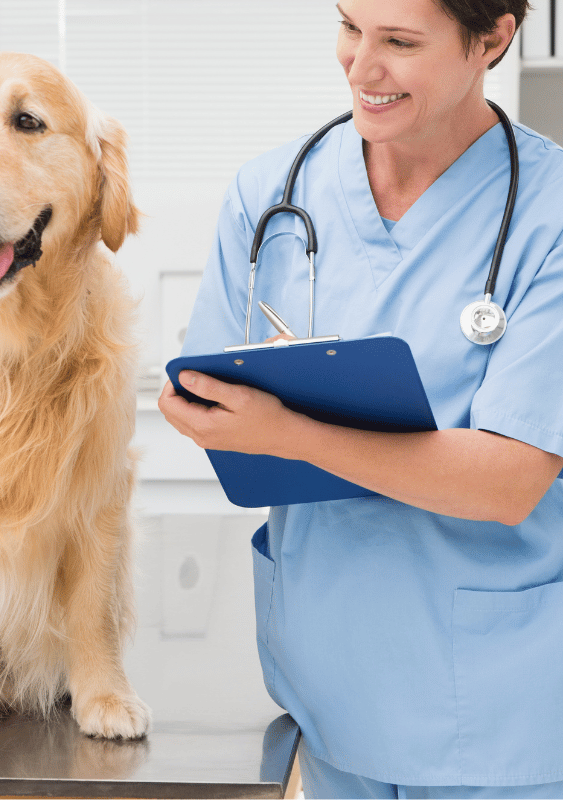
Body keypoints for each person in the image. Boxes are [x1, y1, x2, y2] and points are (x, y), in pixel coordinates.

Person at [158, 0, 563, 797]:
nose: (360, 65)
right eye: (350, 26)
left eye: (400, 42)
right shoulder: (271, 191)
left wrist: (291, 431)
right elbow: (210, 396)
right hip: (330, 682)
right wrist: (213, 414)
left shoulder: (549, 215)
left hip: (498, 699)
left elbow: (510, 478)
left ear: (494, 39)